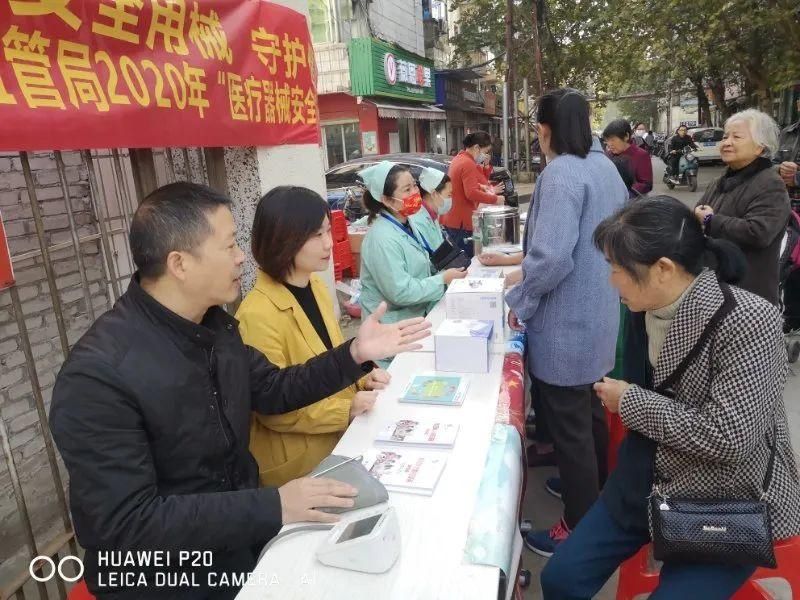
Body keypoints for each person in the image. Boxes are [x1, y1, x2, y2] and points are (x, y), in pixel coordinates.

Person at [48, 182, 430, 599]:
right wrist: (274, 505)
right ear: (180, 263)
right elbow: (128, 525)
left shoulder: (212, 327)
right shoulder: (99, 377)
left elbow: (274, 388)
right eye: (229, 246)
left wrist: (354, 353)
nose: (241, 258)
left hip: (239, 547)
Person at [540, 196, 800, 600]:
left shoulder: (748, 319)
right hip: (641, 479)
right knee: (559, 578)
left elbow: (729, 436)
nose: (612, 281)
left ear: (663, 269)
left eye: (617, 269)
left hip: (724, 499)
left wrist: (630, 402)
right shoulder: (641, 307)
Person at [506, 88, 628, 555]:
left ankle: (578, 526)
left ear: (545, 129)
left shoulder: (561, 174)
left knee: (572, 426)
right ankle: (591, 494)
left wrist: (521, 299)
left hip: (564, 325)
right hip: (599, 313)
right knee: (590, 412)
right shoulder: (606, 170)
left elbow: (552, 258)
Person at [235, 186, 392, 488]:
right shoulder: (255, 314)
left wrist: (364, 376)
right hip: (299, 466)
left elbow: (330, 358)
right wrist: (345, 409)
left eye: (327, 231)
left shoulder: (317, 287)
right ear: (284, 239)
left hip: (339, 443)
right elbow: (272, 409)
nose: (329, 244)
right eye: (316, 235)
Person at [358, 161, 467, 360]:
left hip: (415, 323)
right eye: (407, 189)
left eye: (415, 186)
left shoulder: (406, 223)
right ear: (387, 200)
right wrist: (442, 280)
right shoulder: (381, 238)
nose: (416, 193)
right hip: (391, 335)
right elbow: (400, 291)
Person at [694, 109, 790, 305]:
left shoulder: (770, 183)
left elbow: (759, 233)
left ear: (760, 147)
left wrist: (711, 220)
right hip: (714, 289)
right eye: (726, 136)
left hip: (748, 297)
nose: (726, 142)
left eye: (736, 137)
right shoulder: (720, 181)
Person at [440, 131, 505, 258]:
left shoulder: (459, 158)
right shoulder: (467, 163)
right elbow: (470, 193)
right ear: (476, 148)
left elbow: (461, 185)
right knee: (466, 263)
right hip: (461, 223)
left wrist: (480, 186)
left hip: (452, 219)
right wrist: (495, 199)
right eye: (485, 152)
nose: (486, 156)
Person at [603, 119, 653, 196]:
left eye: (613, 139)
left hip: (633, 203)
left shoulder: (641, 155)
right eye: (607, 140)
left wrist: (625, 194)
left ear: (626, 136)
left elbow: (646, 184)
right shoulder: (607, 156)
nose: (609, 144)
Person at [416, 166, 451, 244]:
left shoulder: (432, 214)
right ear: (434, 194)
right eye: (449, 195)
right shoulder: (419, 221)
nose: (451, 200)